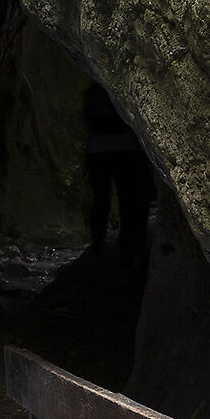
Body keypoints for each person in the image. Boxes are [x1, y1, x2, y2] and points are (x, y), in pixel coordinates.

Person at [82, 82, 155, 277]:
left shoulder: (96, 86)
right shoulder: (126, 81)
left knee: (100, 202)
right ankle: (127, 261)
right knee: (128, 204)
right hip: (128, 149)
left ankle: (97, 252)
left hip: (98, 149)